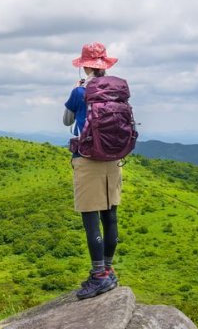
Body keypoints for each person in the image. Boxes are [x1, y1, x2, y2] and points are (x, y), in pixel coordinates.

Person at [63, 42, 122, 300]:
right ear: (105, 65)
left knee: (91, 220)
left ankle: (99, 277)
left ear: (85, 65)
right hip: (112, 158)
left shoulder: (80, 91)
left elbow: (66, 121)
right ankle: (108, 269)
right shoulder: (118, 90)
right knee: (110, 216)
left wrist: (77, 95)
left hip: (87, 158)